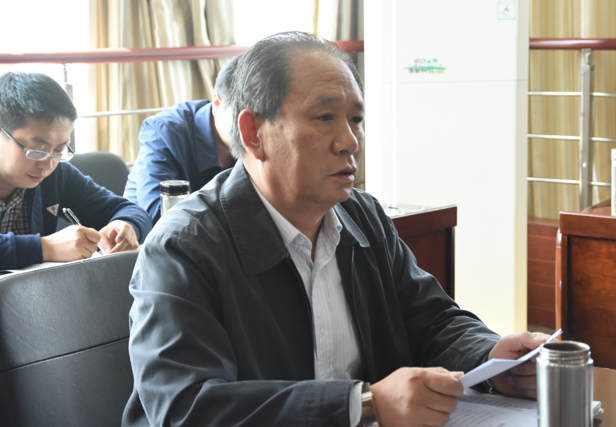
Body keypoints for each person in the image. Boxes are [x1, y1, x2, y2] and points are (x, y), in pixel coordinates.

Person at [124, 32, 547, 427]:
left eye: (356, 119)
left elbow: (430, 319)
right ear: (254, 134)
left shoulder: (362, 215)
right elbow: (187, 406)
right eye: (325, 117)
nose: (350, 141)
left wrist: (491, 358)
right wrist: (361, 404)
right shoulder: (183, 246)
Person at [0, 72, 151, 270]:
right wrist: (45, 247)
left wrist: (126, 226)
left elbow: (126, 209)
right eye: (36, 150)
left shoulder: (57, 175)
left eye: (59, 150)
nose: (47, 165)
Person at [124, 55, 240, 224]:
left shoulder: (259, 137)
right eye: (241, 117)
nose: (252, 130)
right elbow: (160, 216)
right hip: (150, 237)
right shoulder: (163, 132)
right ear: (217, 103)